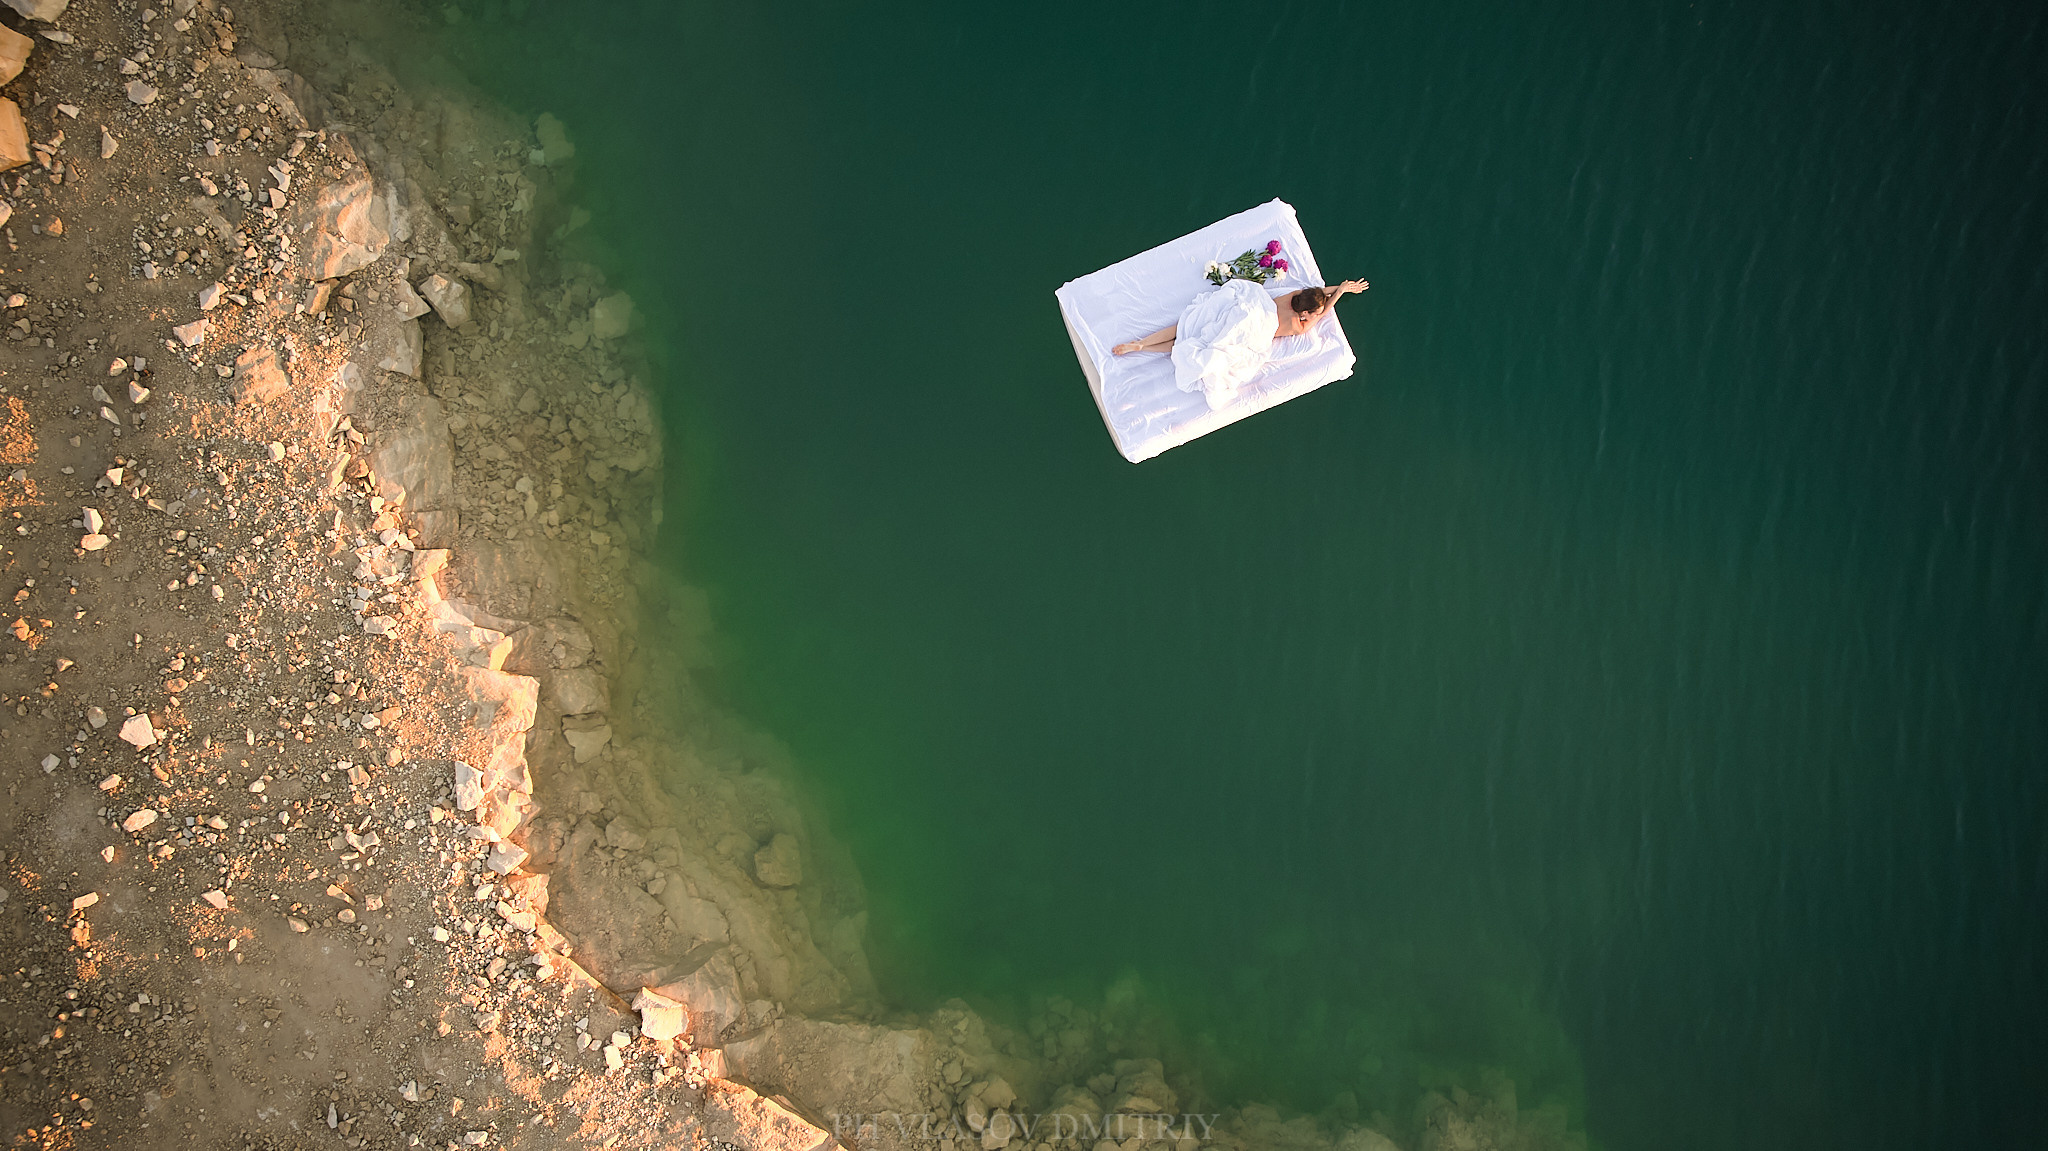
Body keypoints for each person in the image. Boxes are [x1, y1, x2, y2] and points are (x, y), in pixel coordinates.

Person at [1111, 278, 1368, 410]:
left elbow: (1318, 293)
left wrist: (1339, 286)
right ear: (1307, 313)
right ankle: (1148, 348)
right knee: (1196, 345)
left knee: (1189, 327)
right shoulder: (1301, 324)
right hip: (1254, 331)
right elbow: (1323, 310)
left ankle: (1142, 343)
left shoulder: (1293, 297)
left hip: (1248, 309)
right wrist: (1342, 292)